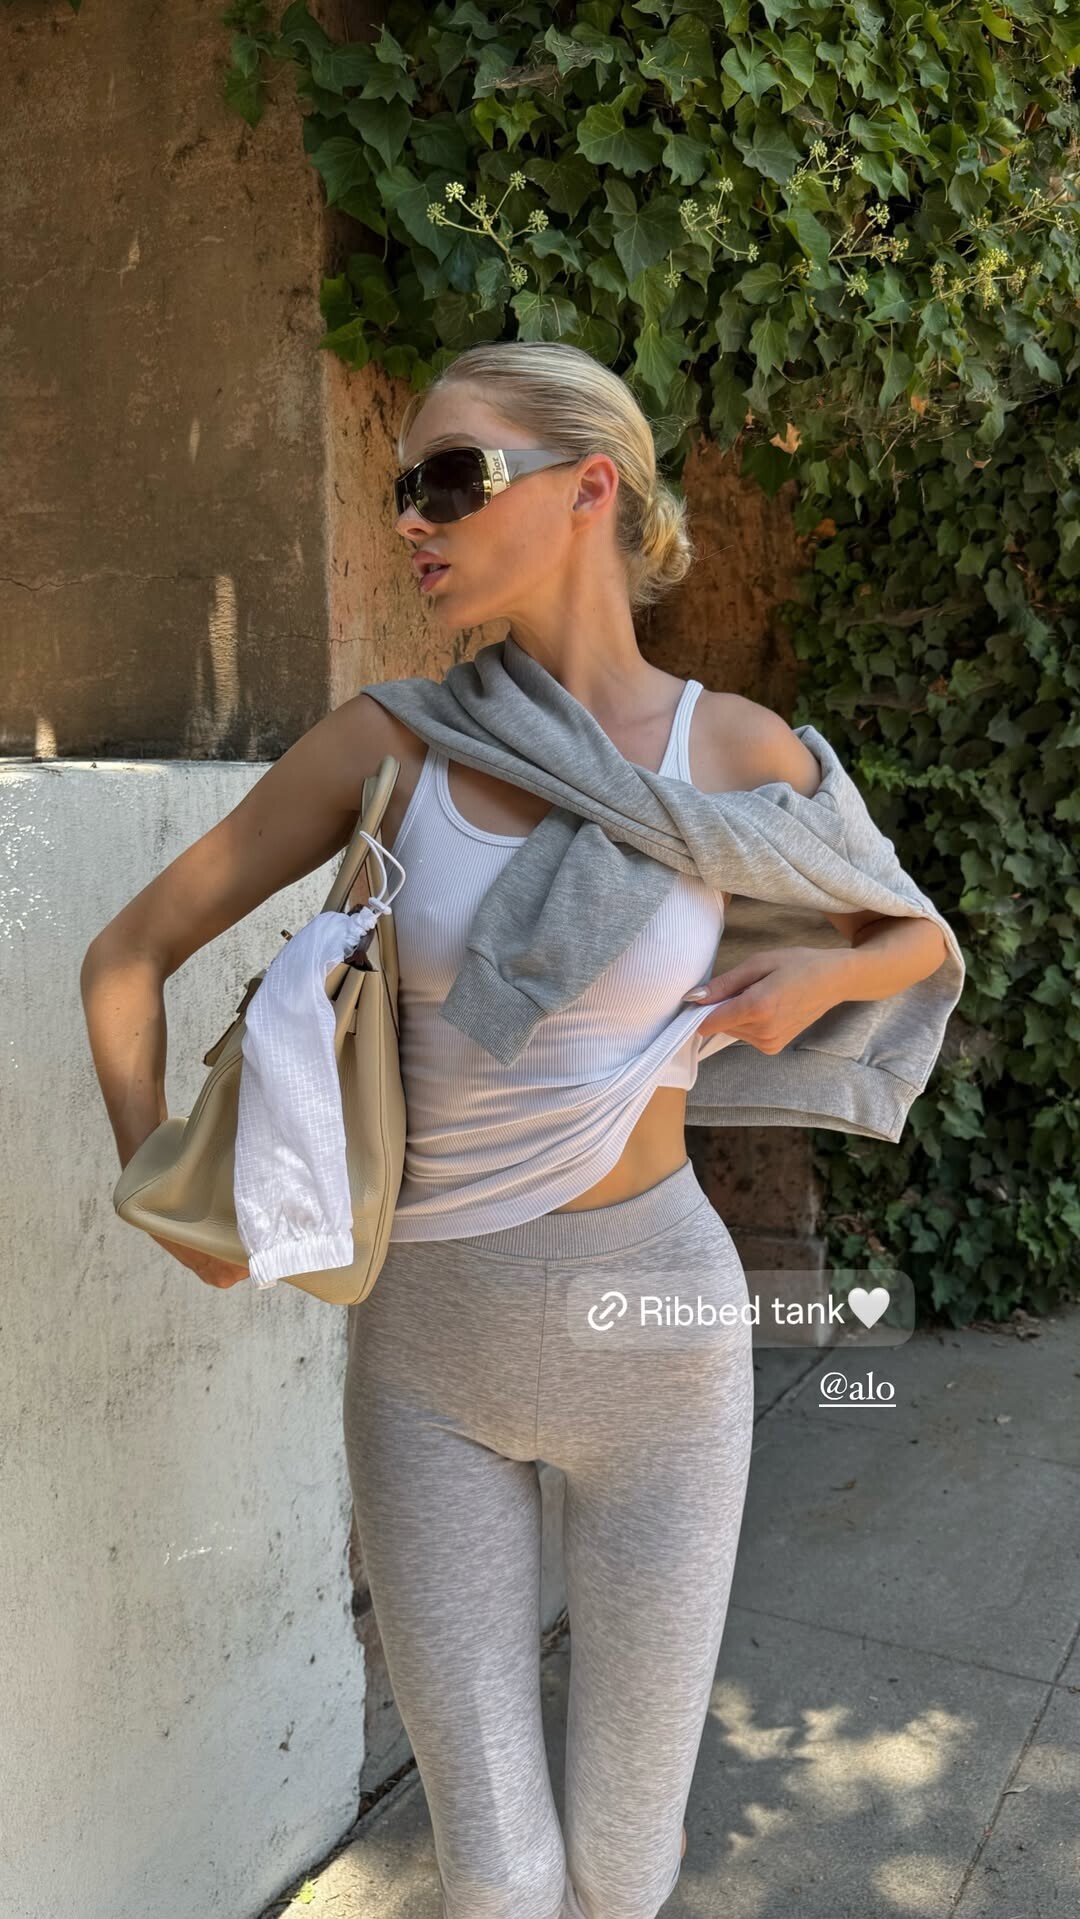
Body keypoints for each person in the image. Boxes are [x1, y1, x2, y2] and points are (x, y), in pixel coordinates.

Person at [81, 340, 950, 1919]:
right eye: (401, 488)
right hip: (431, 1357)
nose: (412, 518)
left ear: (588, 486)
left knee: (623, 1866)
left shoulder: (733, 755)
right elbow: (124, 958)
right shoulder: (390, 744)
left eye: (448, 478)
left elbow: (913, 937)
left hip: (663, 1343)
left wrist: (806, 986)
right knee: (495, 1876)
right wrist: (167, 1195)